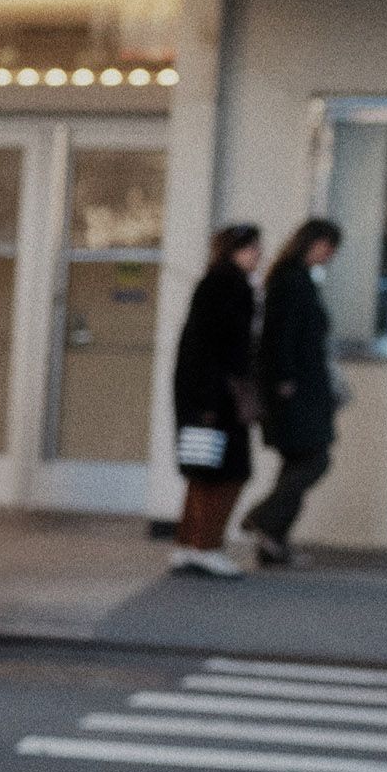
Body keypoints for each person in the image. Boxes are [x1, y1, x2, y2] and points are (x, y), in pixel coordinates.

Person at [242, 215, 345, 566]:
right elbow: (279, 335)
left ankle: (273, 544)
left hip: (299, 386)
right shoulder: (291, 280)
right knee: (315, 458)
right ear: (314, 243)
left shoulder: (295, 279)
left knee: (296, 462)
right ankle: (264, 518)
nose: (330, 255)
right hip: (294, 389)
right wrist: (284, 379)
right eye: (329, 247)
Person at [166, 222, 260, 574]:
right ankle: (207, 545)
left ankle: (189, 542)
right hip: (217, 397)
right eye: (252, 249)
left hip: (205, 395)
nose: (258, 255)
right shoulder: (229, 286)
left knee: (203, 470)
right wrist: (207, 402)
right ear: (234, 250)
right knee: (227, 472)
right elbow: (217, 347)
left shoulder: (216, 282)